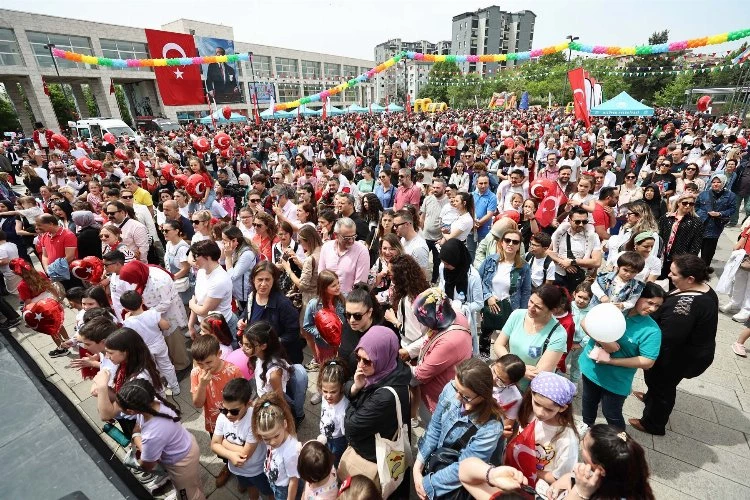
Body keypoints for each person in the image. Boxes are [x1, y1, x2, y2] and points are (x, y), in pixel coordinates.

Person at [631, 254, 718, 436]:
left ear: (690, 278)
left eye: (674, 273)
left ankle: (653, 424)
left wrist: (644, 351)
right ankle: (650, 397)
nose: (669, 275)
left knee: (662, 387)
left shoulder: (686, 307)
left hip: (676, 357)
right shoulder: (700, 288)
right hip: (678, 351)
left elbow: (669, 337)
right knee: (657, 384)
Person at [579, 282, 665, 432]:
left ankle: (620, 439)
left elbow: (648, 361)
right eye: (650, 302)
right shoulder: (613, 310)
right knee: (588, 401)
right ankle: (586, 426)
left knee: (611, 413)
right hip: (590, 368)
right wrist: (605, 342)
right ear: (637, 296)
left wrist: (611, 361)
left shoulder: (652, 330)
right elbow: (585, 322)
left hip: (616, 380)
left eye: (657, 306)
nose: (652, 309)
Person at [413, 358, 503, 499]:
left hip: (455, 486)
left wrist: (427, 484)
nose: (456, 397)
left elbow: (465, 468)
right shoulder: (450, 389)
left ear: (483, 396)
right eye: (457, 388)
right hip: (436, 465)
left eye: (466, 396)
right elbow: (435, 428)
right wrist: (418, 467)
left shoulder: (491, 428)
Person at [337, 327, 411, 496]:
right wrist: (356, 387)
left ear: (383, 356)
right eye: (358, 357)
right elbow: (348, 386)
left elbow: (351, 427)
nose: (360, 365)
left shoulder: (384, 397)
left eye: (367, 361)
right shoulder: (390, 367)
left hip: (374, 456)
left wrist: (354, 398)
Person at [115, 379, 206, 500]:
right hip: (187, 446)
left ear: (130, 411)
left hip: (180, 464)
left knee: (188, 496)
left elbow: (147, 465)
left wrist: (136, 439)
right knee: (192, 483)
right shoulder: (153, 403)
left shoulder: (152, 433)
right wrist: (137, 436)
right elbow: (139, 426)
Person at [506, 372, 579, 489]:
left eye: (549, 409)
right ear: (531, 395)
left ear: (562, 408)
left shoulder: (567, 439)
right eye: (537, 403)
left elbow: (561, 477)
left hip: (536, 488)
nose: (540, 412)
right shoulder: (528, 412)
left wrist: (527, 470)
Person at [411, 288, 473, 424]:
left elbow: (421, 375)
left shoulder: (450, 341)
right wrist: (409, 351)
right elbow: (430, 337)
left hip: (438, 402)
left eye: (422, 318)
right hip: (442, 391)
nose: (421, 322)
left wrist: (399, 368)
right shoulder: (454, 316)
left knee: (433, 430)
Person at [545, 424, 656, 500]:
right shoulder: (631, 478)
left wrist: (580, 492)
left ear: (600, 469)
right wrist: (568, 480)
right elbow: (568, 478)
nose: (581, 444)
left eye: (584, 446)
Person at [190, 334, 243, 487]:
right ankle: (228, 466)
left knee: (238, 446)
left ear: (219, 354)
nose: (205, 367)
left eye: (208, 362)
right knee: (222, 449)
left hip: (235, 420)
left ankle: (243, 474)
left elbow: (242, 399)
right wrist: (202, 385)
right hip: (214, 422)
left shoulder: (233, 371)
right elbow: (198, 403)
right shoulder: (196, 373)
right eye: (200, 364)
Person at [493, 284, 567, 392]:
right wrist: (519, 369)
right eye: (531, 301)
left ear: (553, 310)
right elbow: (498, 344)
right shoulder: (517, 315)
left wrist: (513, 366)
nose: (531, 308)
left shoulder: (558, 334)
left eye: (538, 307)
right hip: (505, 381)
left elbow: (539, 373)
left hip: (530, 390)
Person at [210, 378, 272, 499]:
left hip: (257, 469)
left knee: (269, 490)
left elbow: (245, 454)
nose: (228, 415)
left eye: (234, 411)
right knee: (250, 488)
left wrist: (223, 443)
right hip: (237, 469)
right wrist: (231, 455)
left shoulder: (254, 420)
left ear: (248, 404)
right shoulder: (222, 417)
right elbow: (213, 445)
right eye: (224, 409)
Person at [477, 228, 532, 359]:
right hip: (491, 304)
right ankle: (484, 359)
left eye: (515, 242)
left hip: (511, 307)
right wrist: (488, 296)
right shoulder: (490, 261)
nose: (511, 244)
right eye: (507, 240)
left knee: (509, 338)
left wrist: (523, 313)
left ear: (519, 246)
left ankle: (505, 363)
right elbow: (478, 281)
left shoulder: (523, 266)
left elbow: (526, 291)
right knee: (486, 333)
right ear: (501, 242)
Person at [238, 261, 304, 364]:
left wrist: (272, 344)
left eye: (267, 279)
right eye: (260, 279)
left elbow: (293, 333)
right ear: (253, 280)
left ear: (274, 280)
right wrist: (241, 321)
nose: (263, 284)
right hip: (259, 354)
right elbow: (246, 313)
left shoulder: (283, 304)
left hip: (280, 357)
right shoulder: (252, 296)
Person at [120, 290, 180, 395]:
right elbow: (166, 326)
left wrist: (125, 319)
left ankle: (160, 393)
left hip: (145, 351)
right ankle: (175, 387)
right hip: (159, 344)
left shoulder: (127, 322)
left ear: (125, 308)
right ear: (142, 300)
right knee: (166, 365)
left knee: (152, 371)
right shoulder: (152, 313)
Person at [438, 238, 483, 355]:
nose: (445, 266)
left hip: (463, 321)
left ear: (456, 260)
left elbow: (479, 303)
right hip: (445, 318)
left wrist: (461, 308)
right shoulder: (443, 268)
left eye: (448, 264)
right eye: (443, 263)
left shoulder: (473, 276)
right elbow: (442, 285)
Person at [252, 393, 301, 500]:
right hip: (276, 480)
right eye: (266, 438)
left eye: (276, 436)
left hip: (283, 488)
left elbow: (294, 480)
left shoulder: (291, 452)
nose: (272, 442)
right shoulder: (275, 438)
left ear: (284, 424)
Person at [303, 270, 346, 388]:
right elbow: (307, 326)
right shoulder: (313, 305)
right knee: (326, 369)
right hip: (323, 347)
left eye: (338, 283)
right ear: (324, 288)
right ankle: (323, 388)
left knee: (340, 367)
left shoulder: (343, 300)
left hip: (341, 344)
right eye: (333, 285)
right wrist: (321, 333)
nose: (338, 287)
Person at [189, 240, 237, 342]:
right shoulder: (201, 271)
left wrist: (191, 304)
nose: (193, 260)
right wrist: (191, 324)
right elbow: (197, 299)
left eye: (196, 256)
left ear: (207, 257)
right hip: (207, 326)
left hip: (222, 327)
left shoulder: (220, 280)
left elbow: (204, 311)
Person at [549, 207, 603, 292]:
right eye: (577, 222)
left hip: (577, 278)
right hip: (557, 275)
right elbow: (547, 251)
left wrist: (572, 262)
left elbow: (597, 262)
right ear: (570, 220)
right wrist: (562, 262)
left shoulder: (593, 236)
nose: (581, 224)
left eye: (584, 222)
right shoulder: (560, 232)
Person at [657, 192, 703, 281]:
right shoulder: (665, 218)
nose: (688, 206)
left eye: (691, 204)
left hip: (680, 259)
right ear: (678, 203)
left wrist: (688, 261)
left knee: (674, 283)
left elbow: (696, 245)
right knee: (658, 281)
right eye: (685, 203)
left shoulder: (696, 222)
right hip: (662, 256)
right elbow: (659, 237)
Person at [318, 217, 370, 295]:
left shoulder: (361, 250)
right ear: (336, 235)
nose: (351, 241)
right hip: (328, 298)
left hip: (350, 300)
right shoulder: (326, 247)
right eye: (347, 238)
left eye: (353, 237)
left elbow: (360, 285)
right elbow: (321, 277)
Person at [696, 173, 736, 266]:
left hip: (715, 226)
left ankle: (704, 269)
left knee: (708, 251)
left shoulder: (730, 196)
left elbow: (732, 209)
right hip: (701, 223)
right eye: (713, 182)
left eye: (718, 182)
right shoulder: (703, 194)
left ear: (724, 183)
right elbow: (696, 207)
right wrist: (703, 214)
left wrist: (720, 213)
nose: (715, 184)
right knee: (695, 249)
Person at [316, 358, 350, 468]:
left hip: (337, 441)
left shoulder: (344, 406)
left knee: (334, 461)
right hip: (324, 435)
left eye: (333, 392)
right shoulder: (325, 397)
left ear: (342, 387)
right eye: (325, 391)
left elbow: (345, 433)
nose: (328, 396)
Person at [222, 225, 258, 317]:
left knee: (246, 317)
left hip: (245, 294)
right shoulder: (235, 249)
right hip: (238, 293)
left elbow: (232, 276)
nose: (223, 242)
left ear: (234, 240)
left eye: (225, 240)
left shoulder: (247, 254)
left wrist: (228, 257)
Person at [421, 178, 450, 283]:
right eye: (434, 187)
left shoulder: (448, 202)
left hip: (439, 239)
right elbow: (422, 217)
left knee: (437, 262)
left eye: (438, 188)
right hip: (426, 236)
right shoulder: (427, 199)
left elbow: (450, 222)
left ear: (444, 188)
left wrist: (444, 238)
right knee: (422, 260)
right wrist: (421, 232)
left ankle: (434, 281)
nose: (435, 189)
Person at [162, 219, 193, 305]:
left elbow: (186, 268)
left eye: (166, 231)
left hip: (182, 285)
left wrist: (173, 277)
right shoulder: (168, 244)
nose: (164, 233)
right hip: (172, 283)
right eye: (162, 230)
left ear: (176, 231)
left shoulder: (183, 248)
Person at [393, 209, 430, 280]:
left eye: (396, 225)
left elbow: (422, 276)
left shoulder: (419, 248)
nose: (394, 228)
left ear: (407, 224)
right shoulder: (403, 239)